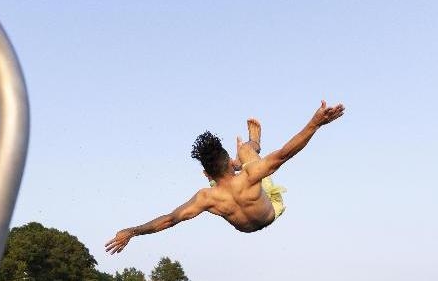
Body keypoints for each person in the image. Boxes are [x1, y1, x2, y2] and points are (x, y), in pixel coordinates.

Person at [105, 100, 345, 254]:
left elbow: (170, 219)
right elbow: (284, 154)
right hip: (271, 208)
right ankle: (251, 146)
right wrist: (314, 124)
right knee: (249, 154)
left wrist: (132, 232)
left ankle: (238, 157)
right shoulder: (250, 177)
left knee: (222, 182)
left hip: (241, 221)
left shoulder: (205, 198)